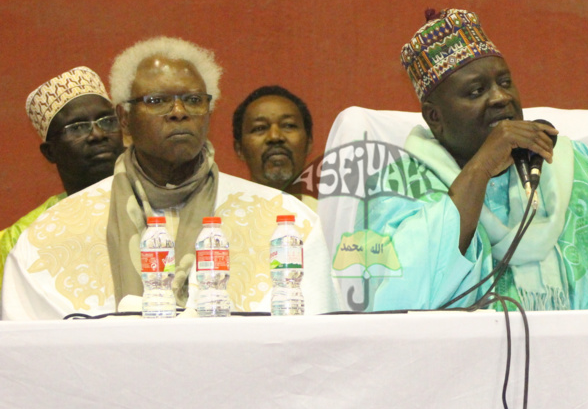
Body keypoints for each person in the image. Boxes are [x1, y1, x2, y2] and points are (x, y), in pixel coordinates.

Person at [360, 8, 588, 310]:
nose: (501, 98)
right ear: (435, 117)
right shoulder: (400, 186)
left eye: (504, 83)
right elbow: (396, 295)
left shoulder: (574, 166)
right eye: (476, 91)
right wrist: (480, 168)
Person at [2, 36, 340, 319]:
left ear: (208, 112)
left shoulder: (288, 224)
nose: (179, 111)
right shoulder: (49, 237)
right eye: (157, 100)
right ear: (124, 118)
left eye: (193, 99)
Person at [0, 67, 125, 292]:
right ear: (50, 152)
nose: (97, 134)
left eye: (106, 121)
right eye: (76, 127)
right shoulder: (20, 239)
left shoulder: (158, 206)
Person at [232, 85, 316, 211]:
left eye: (288, 125)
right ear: (239, 149)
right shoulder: (222, 220)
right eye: (260, 128)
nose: (275, 136)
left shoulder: (334, 218)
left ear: (309, 142)